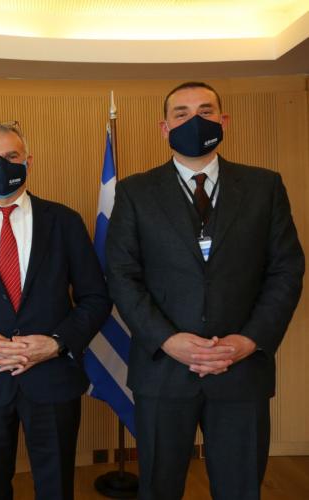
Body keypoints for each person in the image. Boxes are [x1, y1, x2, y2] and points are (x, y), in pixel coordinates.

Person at [105, 81, 304, 499]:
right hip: (162, 371)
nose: (194, 121)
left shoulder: (264, 186)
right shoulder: (135, 191)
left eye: (205, 111)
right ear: (164, 128)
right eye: (181, 113)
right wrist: (168, 340)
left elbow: (286, 270)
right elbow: (122, 275)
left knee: (240, 488)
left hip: (241, 371)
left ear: (223, 120)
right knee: (159, 487)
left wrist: (250, 341)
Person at [0, 122, 111, 500]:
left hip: (53, 378)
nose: (1, 165)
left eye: (11, 156)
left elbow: (96, 297)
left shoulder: (64, 221)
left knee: (56, 486)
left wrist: (57, 343)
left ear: (29, 161)